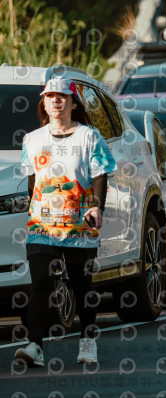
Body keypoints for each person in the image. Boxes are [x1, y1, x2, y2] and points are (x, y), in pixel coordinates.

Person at [14, 77, 116, 367]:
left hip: (79, 224)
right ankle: (35, 345)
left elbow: (100, 173)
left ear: (73, 103)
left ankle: (87, 341)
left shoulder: (89, 136)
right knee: (41, 282)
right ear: (44, 104)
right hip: (42, 225)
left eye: (62, 96)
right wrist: (33, 208)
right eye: (50, 96)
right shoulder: (32, 139)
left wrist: (96, 206)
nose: (56, 101)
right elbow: (33, 180)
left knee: (81, 284)